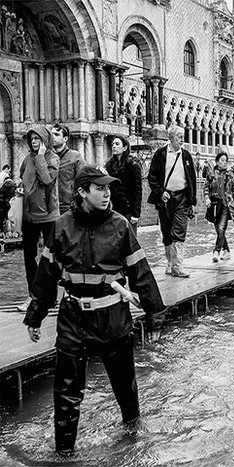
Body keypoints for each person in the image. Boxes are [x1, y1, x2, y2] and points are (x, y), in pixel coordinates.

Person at [23, 165, 165, 455]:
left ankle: (133, 445)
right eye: (100, 188)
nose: (106, 193)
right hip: (73, 317)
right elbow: (46, 274)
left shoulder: (120, 225)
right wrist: (35, 316)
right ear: (82, 192)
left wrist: (155, 315)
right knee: (66, 393)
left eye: (108, 188)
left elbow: (140, 271)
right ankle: (64, 453)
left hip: (113, 318)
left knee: (126, 389)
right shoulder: (61, 226)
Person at [147, 125, 197, 278]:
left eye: (183, 136)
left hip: (182, 198)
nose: (182, 139)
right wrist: (160, 193)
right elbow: (152, 177)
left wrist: (192, 202)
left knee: (179, 230)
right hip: (166, 199)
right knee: (167, 231)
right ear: (170, 138)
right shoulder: (160, 154)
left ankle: (177, 266)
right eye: (179, 136)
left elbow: (192, 180)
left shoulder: (187, 156)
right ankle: (169, 263)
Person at [20, 127, 60, 298]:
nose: (35, 142)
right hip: (29, 214)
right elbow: (23, 177)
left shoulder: (53, 158)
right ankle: (34, 293)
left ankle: (53, 293)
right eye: (32, 139)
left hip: (48, 215)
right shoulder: (27, 159)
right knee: (29, 257)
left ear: (45, 140)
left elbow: (46, 179)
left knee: (52, 256)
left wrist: (41, 157)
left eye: (38, 139)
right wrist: (20, 188)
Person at [105, 135, 141, 234]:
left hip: (128, 209)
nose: (113, 147)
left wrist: (136, 214)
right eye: (113, 144)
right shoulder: (110, 166)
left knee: (129, 240)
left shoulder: (133, 166)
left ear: (124, 148)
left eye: (117, 144)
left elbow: (138, 191)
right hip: (114, 208)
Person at [204, 152, 234, 262]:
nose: (224, 162)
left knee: (221, 228)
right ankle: (226, 250)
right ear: (217, 161)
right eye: (222, 160)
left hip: (225, 204)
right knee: (218, 229)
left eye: (225, 160)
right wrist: (207, 197)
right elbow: (206, 187)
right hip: (214, 205)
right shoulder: (211, 173)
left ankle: (216, 251)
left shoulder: (229, 173)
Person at [51, 123, 86, 215]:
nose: (52, 137)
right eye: (51, 134)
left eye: (56, 134)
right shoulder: (47, 157)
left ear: (65, 138)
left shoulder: (75, 156)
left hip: (68, 206)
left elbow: (84, 179)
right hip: (50, 207)